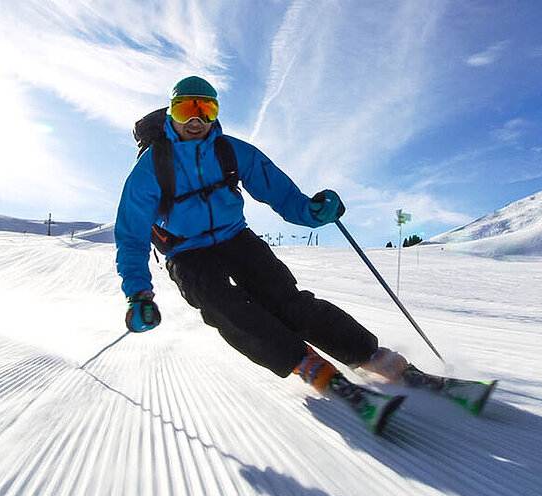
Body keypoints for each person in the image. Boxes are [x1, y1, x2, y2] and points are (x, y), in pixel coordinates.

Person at [114, 76, 410, 432]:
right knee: (224, 306)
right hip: (185, 249)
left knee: (286, 300)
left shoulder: (232, 151)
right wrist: (138, 293)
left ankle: (375, 357)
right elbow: (131, 235)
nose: (196, 119)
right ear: (171, 113)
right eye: (185, 108)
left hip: (234, 235)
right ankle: (309, 367)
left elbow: (280, 194)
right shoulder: (150, 167)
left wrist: (313, 212)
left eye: (206, 109)